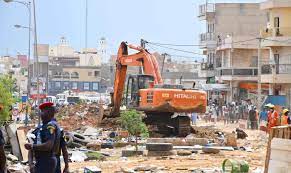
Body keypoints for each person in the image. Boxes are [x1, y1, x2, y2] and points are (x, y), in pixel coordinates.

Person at [25, 102, 61, 173]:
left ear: (49, 112)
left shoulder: (51, 125)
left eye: (42, 111)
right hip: (41, 161)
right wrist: (31, 164)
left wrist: (32, 146)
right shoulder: (42, 127)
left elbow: (49, 145)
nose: (40, 114)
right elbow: (32, 145)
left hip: (47, 161)